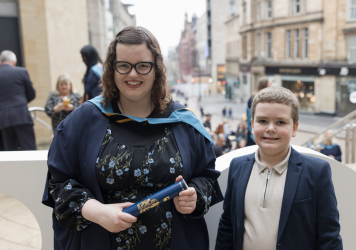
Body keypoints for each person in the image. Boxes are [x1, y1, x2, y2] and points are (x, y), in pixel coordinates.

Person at [42, 26, 223, 250]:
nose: (133, 74)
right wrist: (97, 212)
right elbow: (58, 184)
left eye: (143, 66)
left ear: (157, 69)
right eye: (123, 66)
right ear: (112, 69)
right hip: (101, 240)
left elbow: (206, 177)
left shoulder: (183, 123)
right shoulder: (83, 121)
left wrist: (195, 197)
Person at [216, 86, 342, 250]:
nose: (270, 128)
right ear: (252, 125)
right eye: (262, 121)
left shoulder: (317, 171)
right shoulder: (237, 166)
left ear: (294, 128)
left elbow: (329, 236)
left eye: (280, 122)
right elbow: (227, 225)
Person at [0, 50, 36, 150]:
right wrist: (21, 103)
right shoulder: (21, 71)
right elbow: (31, 94)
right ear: (14, 62)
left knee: (10, 153)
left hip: (3, 119)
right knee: (29, 149)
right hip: (21, 115)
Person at [246, 76, 270, 146]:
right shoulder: (254, 99)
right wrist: (252, 133)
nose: (271, 85)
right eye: (269, 83)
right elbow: (249, 118)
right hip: (256, 135)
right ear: (265, 84)